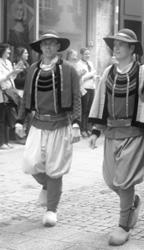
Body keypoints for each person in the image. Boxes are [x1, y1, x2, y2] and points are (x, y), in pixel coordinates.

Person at [88, 29, 144, 246]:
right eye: (114, 44)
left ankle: (123, 226)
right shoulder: (108, 71)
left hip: (136, 132)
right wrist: (96, 130)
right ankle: (132, 203)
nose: (116, 48)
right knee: (111, 180)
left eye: (121, 45)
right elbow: (101, 100)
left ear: (132, 49)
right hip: (112, 132)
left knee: (125, 181)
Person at [15, 30, 81, 227]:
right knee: (30, 163)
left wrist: (76, 122)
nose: (48, 47)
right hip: (37, 124)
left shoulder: (69, 70)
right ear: (40, 48)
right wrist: (20, 120)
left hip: (60, 124)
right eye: (45, 44)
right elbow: (26, 97)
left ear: (58, 47)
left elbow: (76, 97)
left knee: (55, 169)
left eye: (52, 44)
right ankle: (47, 186)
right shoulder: (33, 69)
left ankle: (51, 209)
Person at [0, 43, 23, 150]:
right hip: (2, 93)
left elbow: (11, 78)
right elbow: (1, 79)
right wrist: (11, 73)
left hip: (9, 92)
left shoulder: (8, 62)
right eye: (8, 50)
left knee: (8, 118)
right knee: (1, 118)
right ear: (3, 50)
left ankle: (6, 141)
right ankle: (1, 142)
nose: (9, 52)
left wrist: (16, 72)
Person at [77, 48, 97, 137]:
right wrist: (91, 74)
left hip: (92, 87)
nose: (88, 56)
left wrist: (94, 76)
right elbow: (81, 78)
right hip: (84, 89)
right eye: (85, 54)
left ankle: (88, 128)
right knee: (84, 110)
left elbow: (91, 74)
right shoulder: (78, 64)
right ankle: (83, 129)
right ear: (81, 55)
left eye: (88, 54)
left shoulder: (90, 63)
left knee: (90, 110)